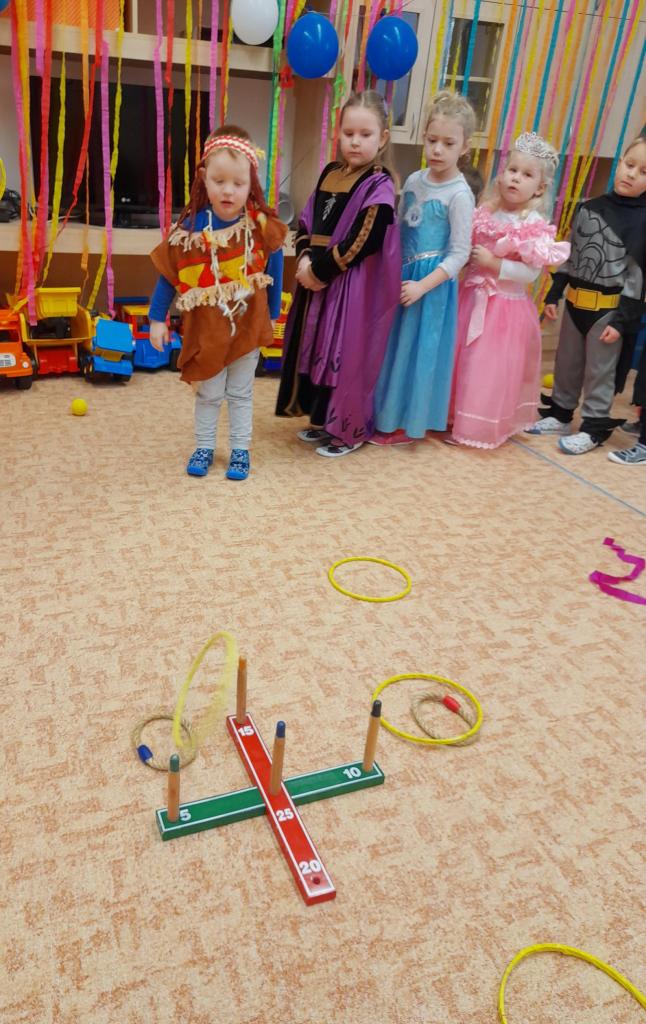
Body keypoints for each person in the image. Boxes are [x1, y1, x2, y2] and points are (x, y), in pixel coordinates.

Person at [148, 125, 287, 479]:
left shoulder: (259, 227)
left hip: (247, 327)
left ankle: (240, 450)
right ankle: (204, 447)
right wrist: (157, 318)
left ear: (251, 183)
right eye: (219, 180)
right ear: (203, 179)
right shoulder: (190, 231)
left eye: (238, 183)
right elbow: (170, 274)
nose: (228, 190)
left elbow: (276, 263)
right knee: (208, 394)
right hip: (207, 331)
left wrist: (272, 314)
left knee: (240, 393)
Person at [275, 90, 401, 457]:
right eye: (348, 133)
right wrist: (303, 260)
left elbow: (366, 237)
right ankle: (322, 419)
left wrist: (320, 270)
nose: (355, 142)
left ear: (383, 138)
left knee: (342, 352)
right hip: (315, 279)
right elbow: (306, 221)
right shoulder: (330, 173)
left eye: (365, 134)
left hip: (348, 286)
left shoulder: (379, 184)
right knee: (315, 348)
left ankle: (349, 430)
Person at [525, 135, 646, 454]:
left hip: (607, 311)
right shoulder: (588, 208)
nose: (632, 174)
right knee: (567, 364)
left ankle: (594, 428)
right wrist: (553, 295)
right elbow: (569, 254)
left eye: (644, 172)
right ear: (620, 162)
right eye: (629, 164)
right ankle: (561, 414)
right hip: (574, 303)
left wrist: (621, 322)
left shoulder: (643, 221)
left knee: (599, 372)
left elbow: (637, 278)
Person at [448, 132, 570, 448]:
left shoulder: (533, 223)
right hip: (470, 298)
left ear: (540, 187)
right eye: (512, 170)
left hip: (505, 309)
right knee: (464, 358)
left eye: (527, 175)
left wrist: (494, 264)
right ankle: (455, 415)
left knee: (489, 367)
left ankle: (479, 424)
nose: (516, 178)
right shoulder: (485, 211)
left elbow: (531, 273)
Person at [369, 90, 476, 445]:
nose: (437, 150)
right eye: (432, 140)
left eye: (448, 143)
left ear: (465, 146)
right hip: (402, 278)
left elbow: (459, 254)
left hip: (431, 289)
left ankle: (409, 423)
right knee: (394, 347)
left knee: (420, 352)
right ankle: (384, 415)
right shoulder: (415, 180)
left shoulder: (460, 194)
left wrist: (422, 286)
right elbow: (400, 230)